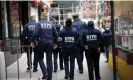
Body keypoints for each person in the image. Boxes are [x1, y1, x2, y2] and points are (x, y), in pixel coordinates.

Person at [31, 11, 58, 80]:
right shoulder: (51, 24)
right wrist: (55, 43)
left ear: (41, 16)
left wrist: (32, 41)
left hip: (41, 43)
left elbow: (34, 34)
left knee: (40, 58)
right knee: (49, 60)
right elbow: (56, 35)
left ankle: (45, 72)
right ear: (47, 17)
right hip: (50, 43)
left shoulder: (39, 23)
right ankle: (50, 77)